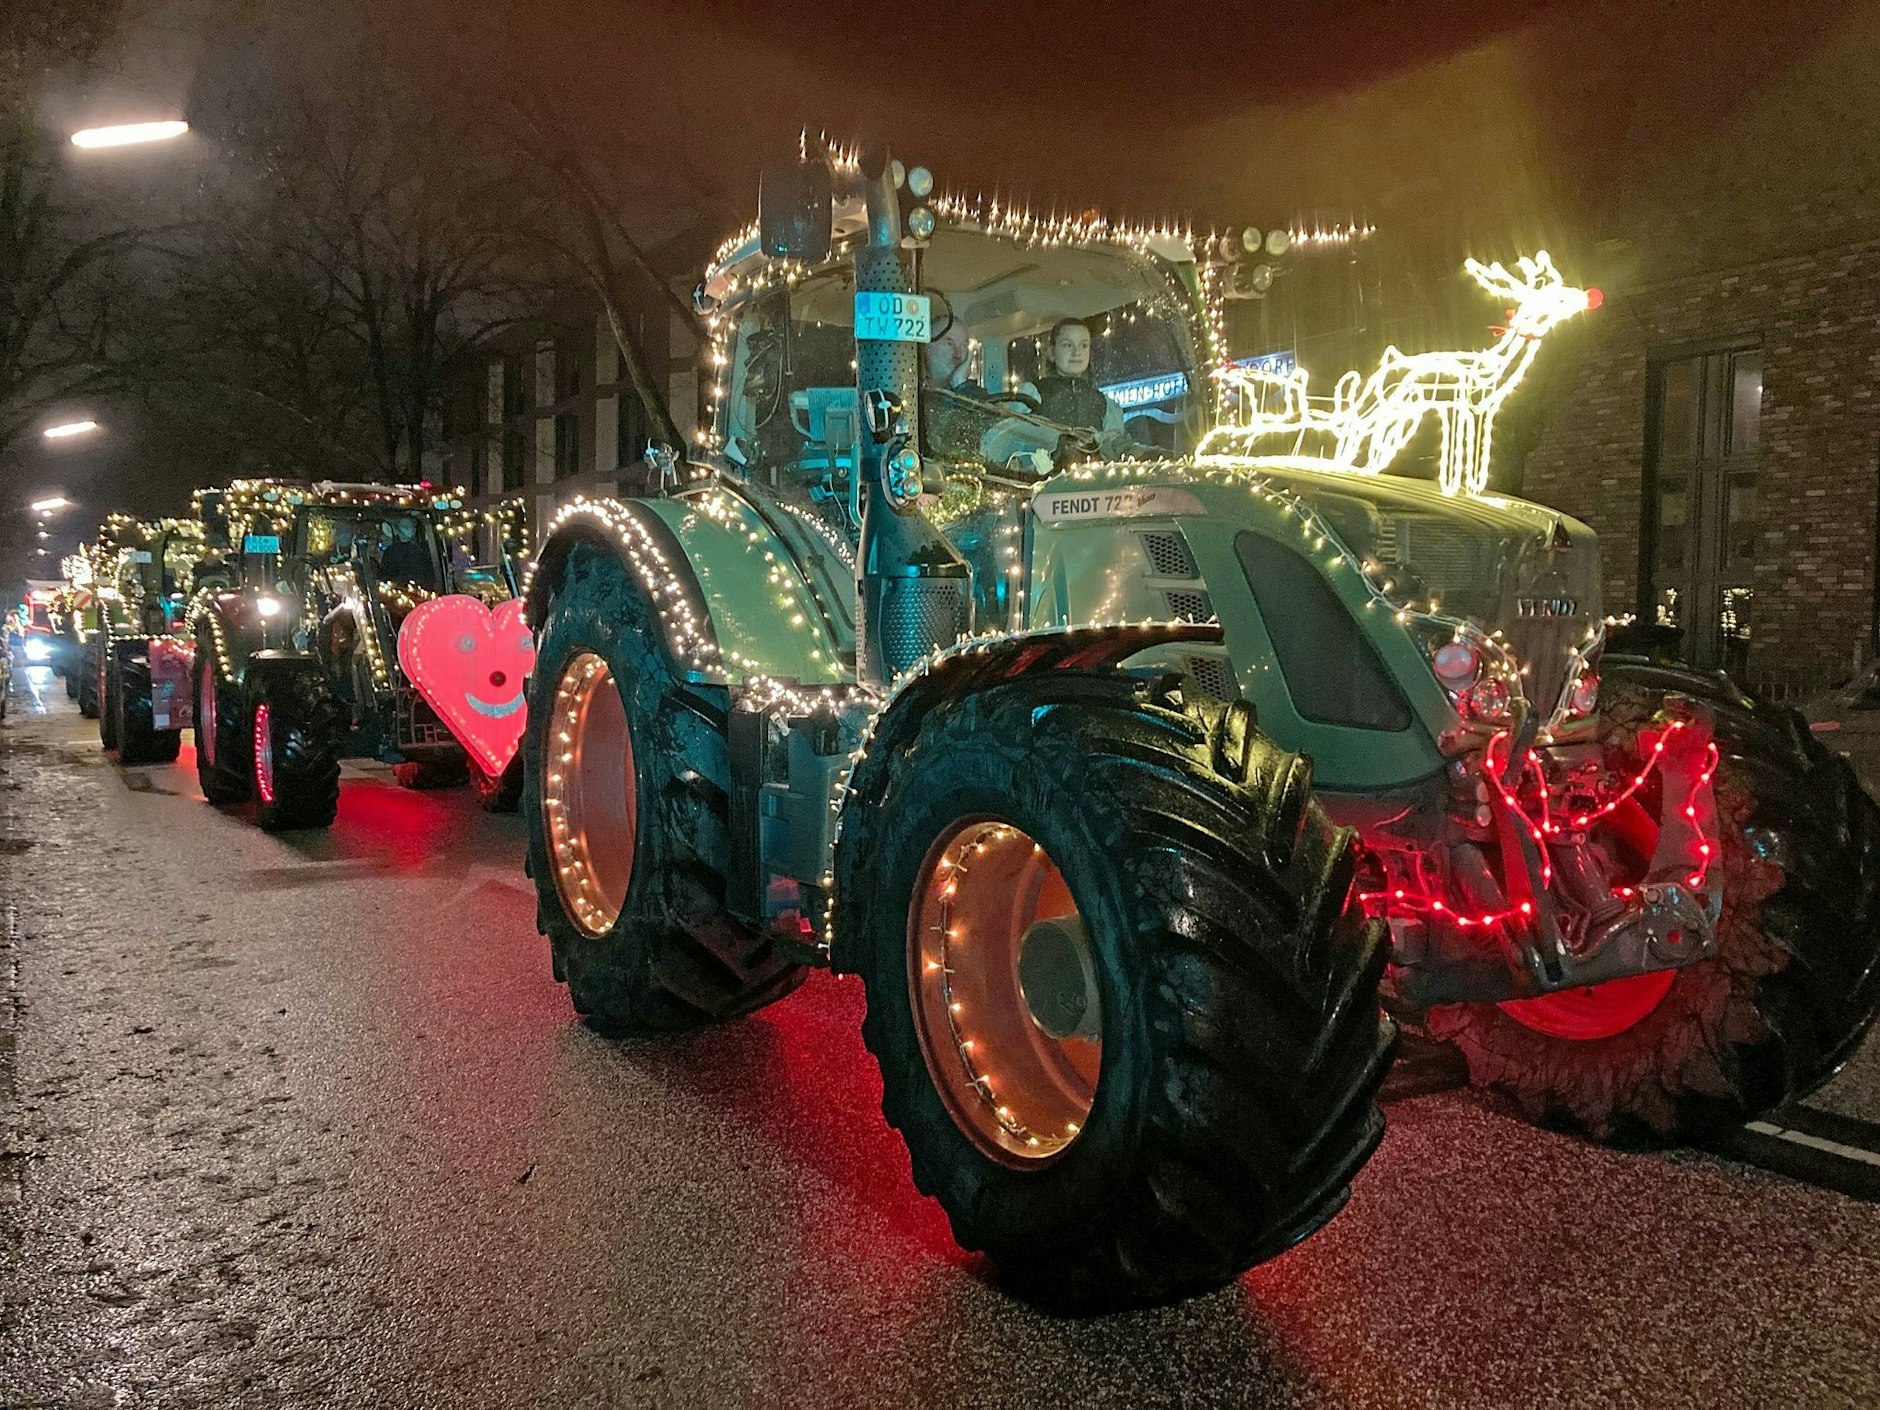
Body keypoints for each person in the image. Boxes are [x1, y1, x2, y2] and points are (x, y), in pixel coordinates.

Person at [1030, 317, 1128, 456]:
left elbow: (1115, 454)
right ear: (1051, 353)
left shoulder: (1103, 403)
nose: (1077, 352)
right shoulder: (1033, 393)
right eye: (1067, 345)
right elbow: (1013, 438)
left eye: (1083, 345)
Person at [375, 516, 435, 587]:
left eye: (411, 527)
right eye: (405, 527)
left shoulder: (427, 548)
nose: (411, 529)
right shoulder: (392, 551)